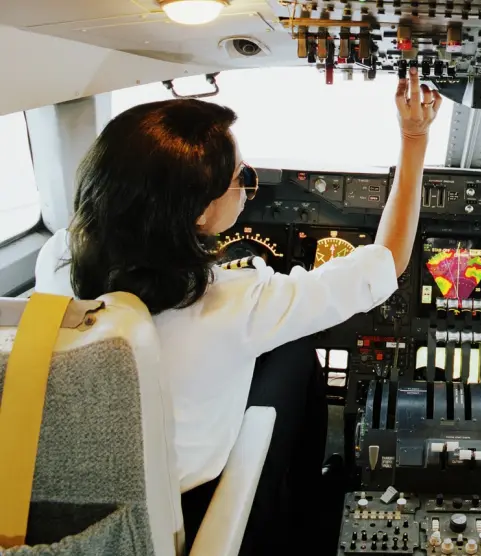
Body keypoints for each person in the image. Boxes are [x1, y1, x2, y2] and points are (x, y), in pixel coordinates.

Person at [33, 68, 442, 552]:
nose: (250, 185)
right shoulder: (236, 302)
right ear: (199, 212)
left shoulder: (56, 260)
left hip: (63, 507)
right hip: (184, 512)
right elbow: (388, 260)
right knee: (293, 349)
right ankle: (309, 506)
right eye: (241, 178)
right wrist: (414, 138)